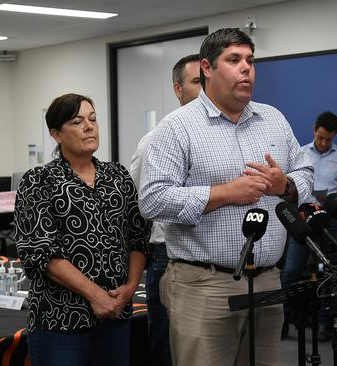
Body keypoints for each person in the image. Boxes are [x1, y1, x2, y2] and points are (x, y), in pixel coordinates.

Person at [139, 28, 313, 366]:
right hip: (204, 284)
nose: (246, 68)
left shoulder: (274, 119)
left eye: (250, 60)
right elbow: (153, 200)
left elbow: (306, 172)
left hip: (266, 279)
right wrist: (222, 194)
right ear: (207, 67)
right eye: (234, 60)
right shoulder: (176, 128)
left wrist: (286, 186)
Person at [14, 93, 151, 366]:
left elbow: (138, 238)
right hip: (61, 320)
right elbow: (41, 254)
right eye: (77, 122)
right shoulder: (39, 181)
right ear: (56, 134)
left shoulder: (118, 176)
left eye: (93, 119)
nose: (89, 127)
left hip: (116, 314)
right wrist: (97, 296)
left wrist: (130, 288)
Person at [129, 53, 201, 366]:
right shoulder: (156, 139)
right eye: (197, 82)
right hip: (167, 255)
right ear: (178, 89)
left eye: (208, 81)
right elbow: (135, 203)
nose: (206, 89)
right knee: (168, 345)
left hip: (212, 258)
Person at [280, 111, 337, 340]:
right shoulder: (300, 153)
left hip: (331, 221)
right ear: (314, 130)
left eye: (328, 139)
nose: (323, 142)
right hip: (304, 217)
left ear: (334, 136)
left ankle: (324, 325)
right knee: (290, 272)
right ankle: (282, 321)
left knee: (331, 273)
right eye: (320, 137)